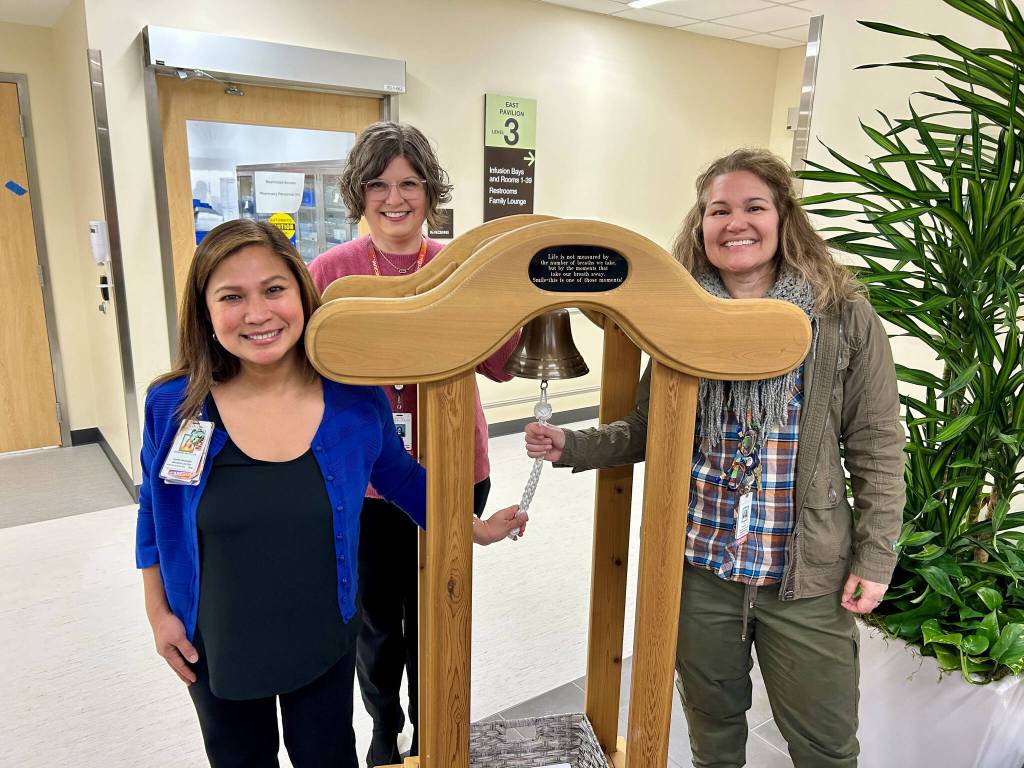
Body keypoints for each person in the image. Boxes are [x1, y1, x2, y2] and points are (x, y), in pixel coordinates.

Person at [525, 149, 905, 768]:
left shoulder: (842, 316)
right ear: (700, 226)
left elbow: (877, 445)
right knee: (714, 740)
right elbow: (653, 426)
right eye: (718, 209)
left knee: (825, 748)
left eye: (754, 207)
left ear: (784, 218)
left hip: (803, 578)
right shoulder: (678, 319)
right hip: (701, 572)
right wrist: (577, 445)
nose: (737, 222)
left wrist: (875, 555)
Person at [136, 219, 525, 768]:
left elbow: (399, 476)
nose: (258, 313)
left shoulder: (351, 399)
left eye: (274, 289)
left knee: (328, 755)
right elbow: (154, 511)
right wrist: (158, 613)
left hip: (322, 633)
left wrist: (471, 525)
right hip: (215, 640)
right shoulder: (174, 406)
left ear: (302, 292)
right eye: (232, 296)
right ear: (205, 310)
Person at [308, 121, 521, 766]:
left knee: (442, 605)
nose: (394, 198)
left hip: (458, 464)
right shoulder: (328, 273)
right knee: (377, 618)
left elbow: (502, 365)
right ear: (359, 194)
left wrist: (518, 303)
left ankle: (438, 727)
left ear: (430, 191)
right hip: (368, 481)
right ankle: (384, 727)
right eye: (378, 184)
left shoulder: (460, 266)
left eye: (408, 183)